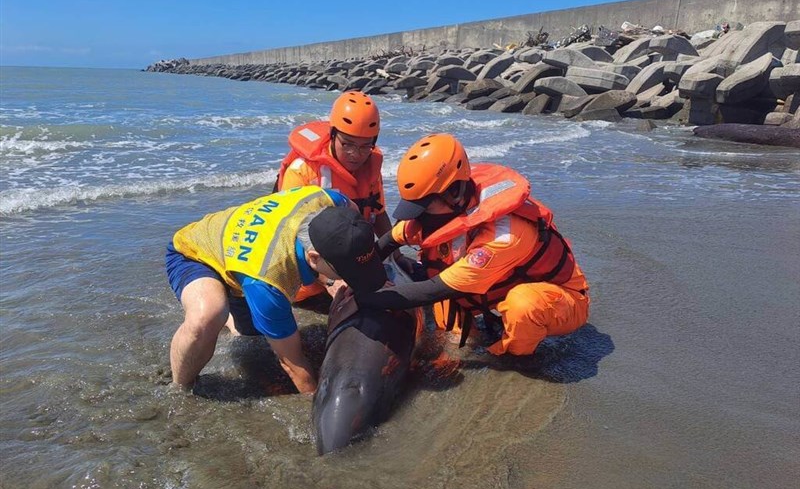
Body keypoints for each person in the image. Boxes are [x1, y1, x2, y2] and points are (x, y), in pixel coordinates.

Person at [354, 133, 590, 357]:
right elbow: (387, 242)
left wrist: (367, 299)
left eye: (424, 206)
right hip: (494, 285)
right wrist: (355, 275)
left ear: (455, 192)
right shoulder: (436, 210)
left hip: (559, 299)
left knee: (522, 305)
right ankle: (468, 336)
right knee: (448, 332)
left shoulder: (505, 235)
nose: (419, 216)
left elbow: (433, 289)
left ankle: (516, 359)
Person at [165, 186, 386, 394]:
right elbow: (293, 364)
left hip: (241, 256)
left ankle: (230, 313)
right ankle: (180, 387)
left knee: (249, 335)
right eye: (348, 271)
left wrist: (334, 278)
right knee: (209, 315)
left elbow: (354, 213)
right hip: (195, 252)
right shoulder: (269, 281)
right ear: (314, 258)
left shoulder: (329, 198)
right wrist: (313, 399)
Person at [274, 91, 392, 301]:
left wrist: (396, 255)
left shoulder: (371, 168)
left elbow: (378, 214)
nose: (356, 154)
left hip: (351, 265)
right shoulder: (302, 171)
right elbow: (289, 239)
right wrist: (329, 280)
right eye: (347, 144)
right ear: (333, 134)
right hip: (312, 274)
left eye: (366, 146)